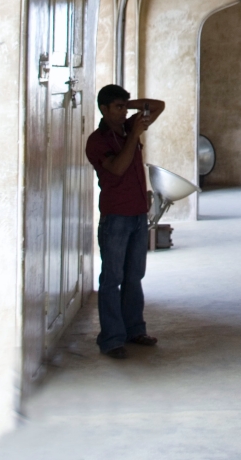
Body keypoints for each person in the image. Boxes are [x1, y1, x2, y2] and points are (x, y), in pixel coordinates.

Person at [85, 83, 165, 359]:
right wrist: (133, 135)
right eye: (116, 107)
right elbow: (117, 168)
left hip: (137, 214)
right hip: (115, 216)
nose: (121, 112)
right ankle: (111, 338)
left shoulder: (128, 124)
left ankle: (134, 329)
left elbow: (158, 106)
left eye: (123, 107)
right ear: (103, 109)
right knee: (112, 278)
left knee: (134, 276)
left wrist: (129, 107)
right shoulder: (97, 141)